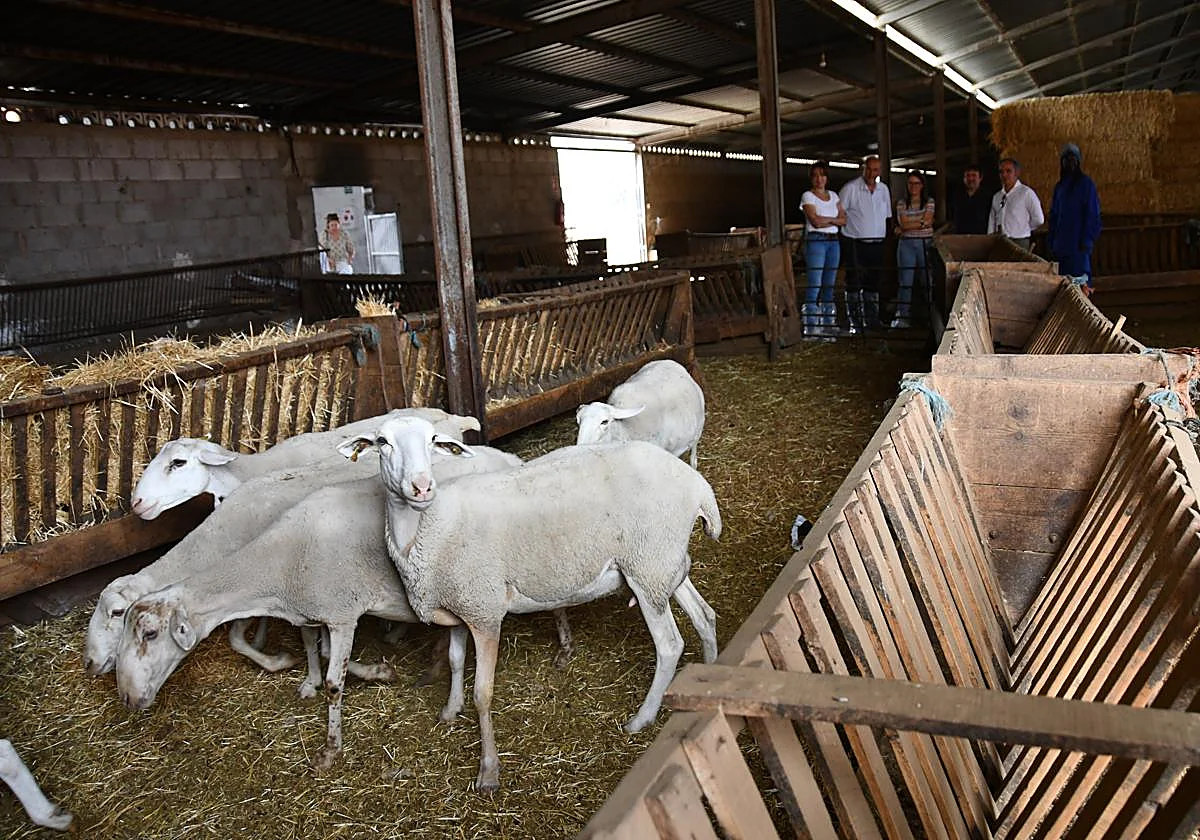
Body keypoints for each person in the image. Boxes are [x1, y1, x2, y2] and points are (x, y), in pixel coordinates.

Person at [840, 155, 892, 332]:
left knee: (873, 282)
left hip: (877, 243)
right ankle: (855, 322)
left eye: (875, 170)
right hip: (855, 242)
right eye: (868, 169)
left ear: (880, 171)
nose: (871, 173)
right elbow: (839, 214)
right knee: (854, 280)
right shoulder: (850, 189)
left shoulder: (883, 190)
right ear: (863, 168)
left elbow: (887, 217)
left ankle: (872, 320)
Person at [799, 160, 846, 340]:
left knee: (829, 284)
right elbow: (815, 221)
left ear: (827, 178)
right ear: (812, 179)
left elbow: (844, 220)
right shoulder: (807, 197)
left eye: (822, 175)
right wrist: (833, 220)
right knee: (815, 283)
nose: (819, 179)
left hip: (833, 241)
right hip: (816, 241)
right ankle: (811, 326)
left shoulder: (834, 196)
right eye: (815, 176)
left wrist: (827, 220)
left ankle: (828, 324)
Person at [1048, 142, 1102, 286]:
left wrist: (1087, 240)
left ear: (1078, 162)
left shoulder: (1086, 185)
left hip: (1078, 246)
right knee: (1063, 285)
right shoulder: (1059, 188)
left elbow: (1092, 215)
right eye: (1066, 160)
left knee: (1080, 283)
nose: (1069, 164)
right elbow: (1054, 215)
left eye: (1073, 160)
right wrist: (1052, 241)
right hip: (1061, 247)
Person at [891, 170, 935, 329]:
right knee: (905, 281)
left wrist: (907, 227)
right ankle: (903, 316)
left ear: (922, 185)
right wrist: (921, 223)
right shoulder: (902, 203)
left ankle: (932, 317)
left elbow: (928, 221)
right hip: (907, 245)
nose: (913, 186)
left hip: (925, 243)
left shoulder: (929, 202)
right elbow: (904, 223)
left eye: (917, 183)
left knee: (927, 281)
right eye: (910, 183)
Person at [988, 157, 1044, 251]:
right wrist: (990, 239)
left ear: (1016, 173)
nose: (1004, 175)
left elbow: (1039, 219)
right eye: (1001, 172)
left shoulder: (1026, 193)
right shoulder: (997, 197)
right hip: (1000, 241)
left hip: (1019, 241)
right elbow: (992, 221)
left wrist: (1023, 228)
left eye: (1008, 171)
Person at [950, 164, 990, 234]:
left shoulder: (988, 196)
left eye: (974, 175)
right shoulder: (957, 195)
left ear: (980, 178)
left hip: (981, 237)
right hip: (960, 236)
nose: (970, 179)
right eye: (968, 176)